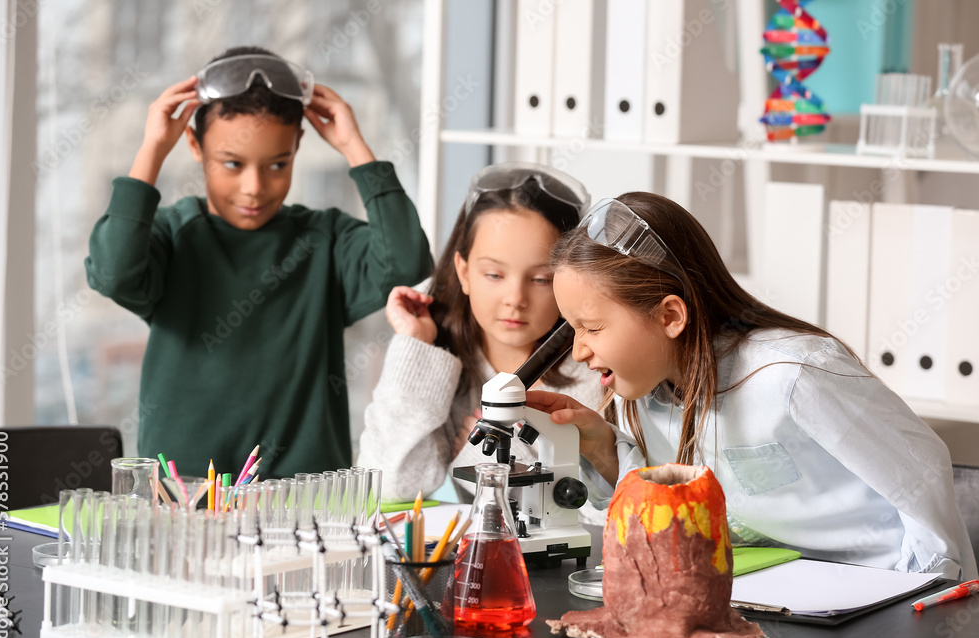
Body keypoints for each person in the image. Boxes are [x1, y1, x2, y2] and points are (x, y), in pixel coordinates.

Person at [528, 192, 977, 579]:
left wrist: (919, 595)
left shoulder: (791, 375)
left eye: (591, 328)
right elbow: (681, 510)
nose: (580, 352)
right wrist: (603, 448)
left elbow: (920, 472)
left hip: (878, 590)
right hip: (777, 593)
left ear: (670, 316)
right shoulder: (646, 391)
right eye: (571, 329)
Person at [85, 47, 432, 478]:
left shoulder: (326, 239)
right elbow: (113, 271)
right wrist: (153, 148)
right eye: (232, 163)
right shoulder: (172, 236)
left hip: (306, 499)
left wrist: (354, 146)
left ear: (297, 147)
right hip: (184, 495)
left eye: (277, 164)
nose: (254, 187)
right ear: (194, 144)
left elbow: (405, 260)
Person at [357, 163, 604, 521]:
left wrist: (480, 462)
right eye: (493, 274)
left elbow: (598, 512)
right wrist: (415, 346)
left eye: (539, 279)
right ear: (463, 272)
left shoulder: (595, 365)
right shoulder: (439, 352)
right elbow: (390, 484)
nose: (514, 298)